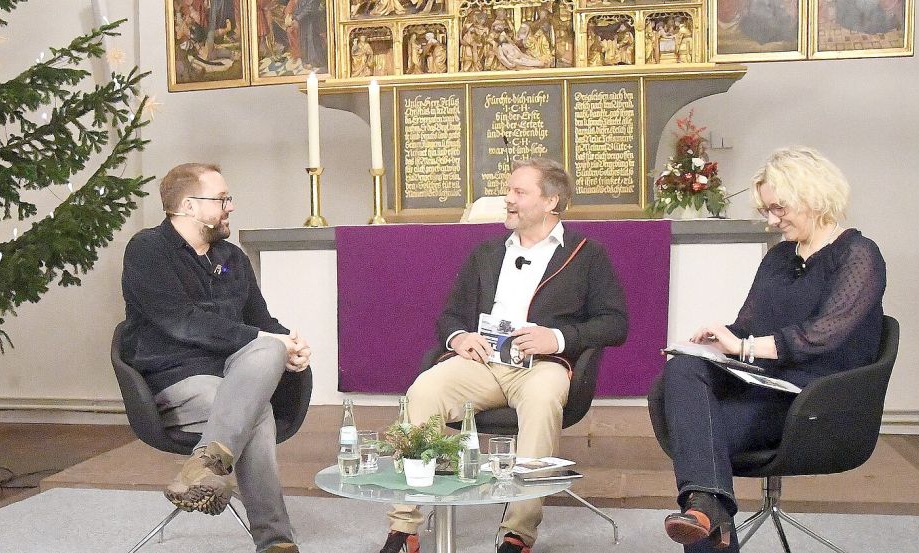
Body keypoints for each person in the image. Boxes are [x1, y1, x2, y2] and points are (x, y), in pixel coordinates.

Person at [377, 158, 629, 553]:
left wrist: (558, 338)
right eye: (508, 191)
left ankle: (518, 533)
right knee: (423, 390)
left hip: (542, 367)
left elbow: (615, 324)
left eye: (519, 192)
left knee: (543, 399)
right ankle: (404, 526)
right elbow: (450, 316)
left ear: (552, 201)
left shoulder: (586, 254)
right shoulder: (485, 253)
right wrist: (459, 338)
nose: (507, 200)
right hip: (483, 364)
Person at [657, 146, 886, 552]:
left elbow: (821, 337)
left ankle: (711, 522)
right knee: (682, 369)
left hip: (817, 399)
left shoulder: (858, 254)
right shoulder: (779, 257)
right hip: (766, 384)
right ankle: (711, 512)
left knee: (702, 436)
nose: (771, 220)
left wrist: (743, 346)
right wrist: (719, 338)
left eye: (778, 209)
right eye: (767, 210)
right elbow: (748, 326)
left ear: (813, 197)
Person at [121, 163, 311, 553]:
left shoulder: (233, 257)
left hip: (235, 374)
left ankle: (205, 465)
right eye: (222, 199)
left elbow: (262, 322)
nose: (231, 206)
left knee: (269, 350)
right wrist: (268, 341)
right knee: (255, 412)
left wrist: (289, 343)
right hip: (176, 378)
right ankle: (276, 542)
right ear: (189, 206)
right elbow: (181, 322)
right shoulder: (147, 250)